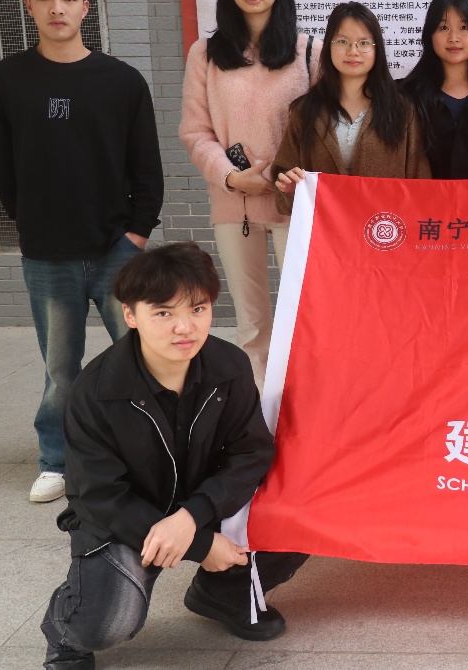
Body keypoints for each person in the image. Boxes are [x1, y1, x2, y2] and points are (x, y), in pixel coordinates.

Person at [40, 242, 307, 669]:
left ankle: (224, 593)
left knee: (305, 504)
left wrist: (192, 518)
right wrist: (201, 545)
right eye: (163, 313)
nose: (185, 327)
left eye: (198, 309)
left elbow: (251, 452)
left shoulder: (229, 366)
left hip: (203, 504)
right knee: (104, 625)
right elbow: (98, 495)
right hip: (125, 520)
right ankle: (64, 628)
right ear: (130, 315)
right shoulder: (96, 391)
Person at [0, 0, 164, 504]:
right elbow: (0, 167)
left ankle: (151, 456)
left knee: (141, 359)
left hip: (116, 251)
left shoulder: (121, 81)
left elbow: (146, 166)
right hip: (47, 255)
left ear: (86, 6)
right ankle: (56, 460)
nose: (56, 8)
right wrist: (33, 224)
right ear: (28, 6)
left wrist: (136, 233)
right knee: (60, 367)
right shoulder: (6, 81)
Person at [179, 0, 320, 385]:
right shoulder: (205, 54)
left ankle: (301, 406)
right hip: (234, 204)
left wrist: (285, 176)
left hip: (293, 204)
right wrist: (233, 178)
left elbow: (322, 130)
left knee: (305, 315)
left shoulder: (309, 51)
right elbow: (195, 131)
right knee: (252, 322)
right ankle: (258, 409)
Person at [274, 1, 430, 208]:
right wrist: (288, 187)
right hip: (326, 224)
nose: (353, 51)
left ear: (377, 49)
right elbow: (284, 173)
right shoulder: (305, 110)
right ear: (328, 46)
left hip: (384, 224)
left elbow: (420, 181)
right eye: (342, 41)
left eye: (364, 43)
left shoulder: (401, 109)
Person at [400, 0, 468, 179]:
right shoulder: (407, 95)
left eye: (464, 27)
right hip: (425, 197)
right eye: (444, 27)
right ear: (430, 35)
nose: (454, 37)